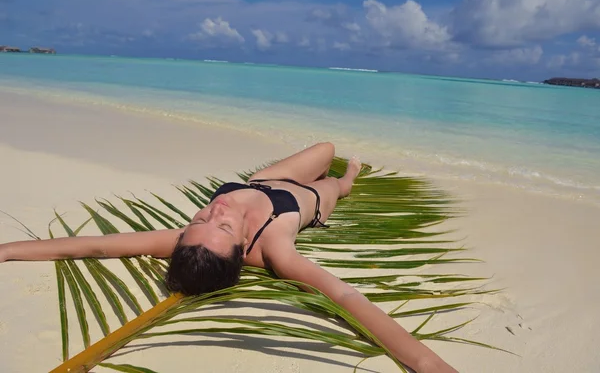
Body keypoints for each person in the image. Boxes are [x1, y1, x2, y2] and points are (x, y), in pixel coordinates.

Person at [0, 142, 457, 373]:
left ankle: (333, 165)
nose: (216, 211)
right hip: (309, 203)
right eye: (221, 226)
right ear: (243, 248)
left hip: (263, 181)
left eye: (200, 219)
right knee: (336, 174)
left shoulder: (190, 240)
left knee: (324, 148)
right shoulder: (276, 248)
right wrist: (427, 364)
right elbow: (345, 295)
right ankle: (352, 175)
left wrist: (6, 252)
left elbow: (93, 245)